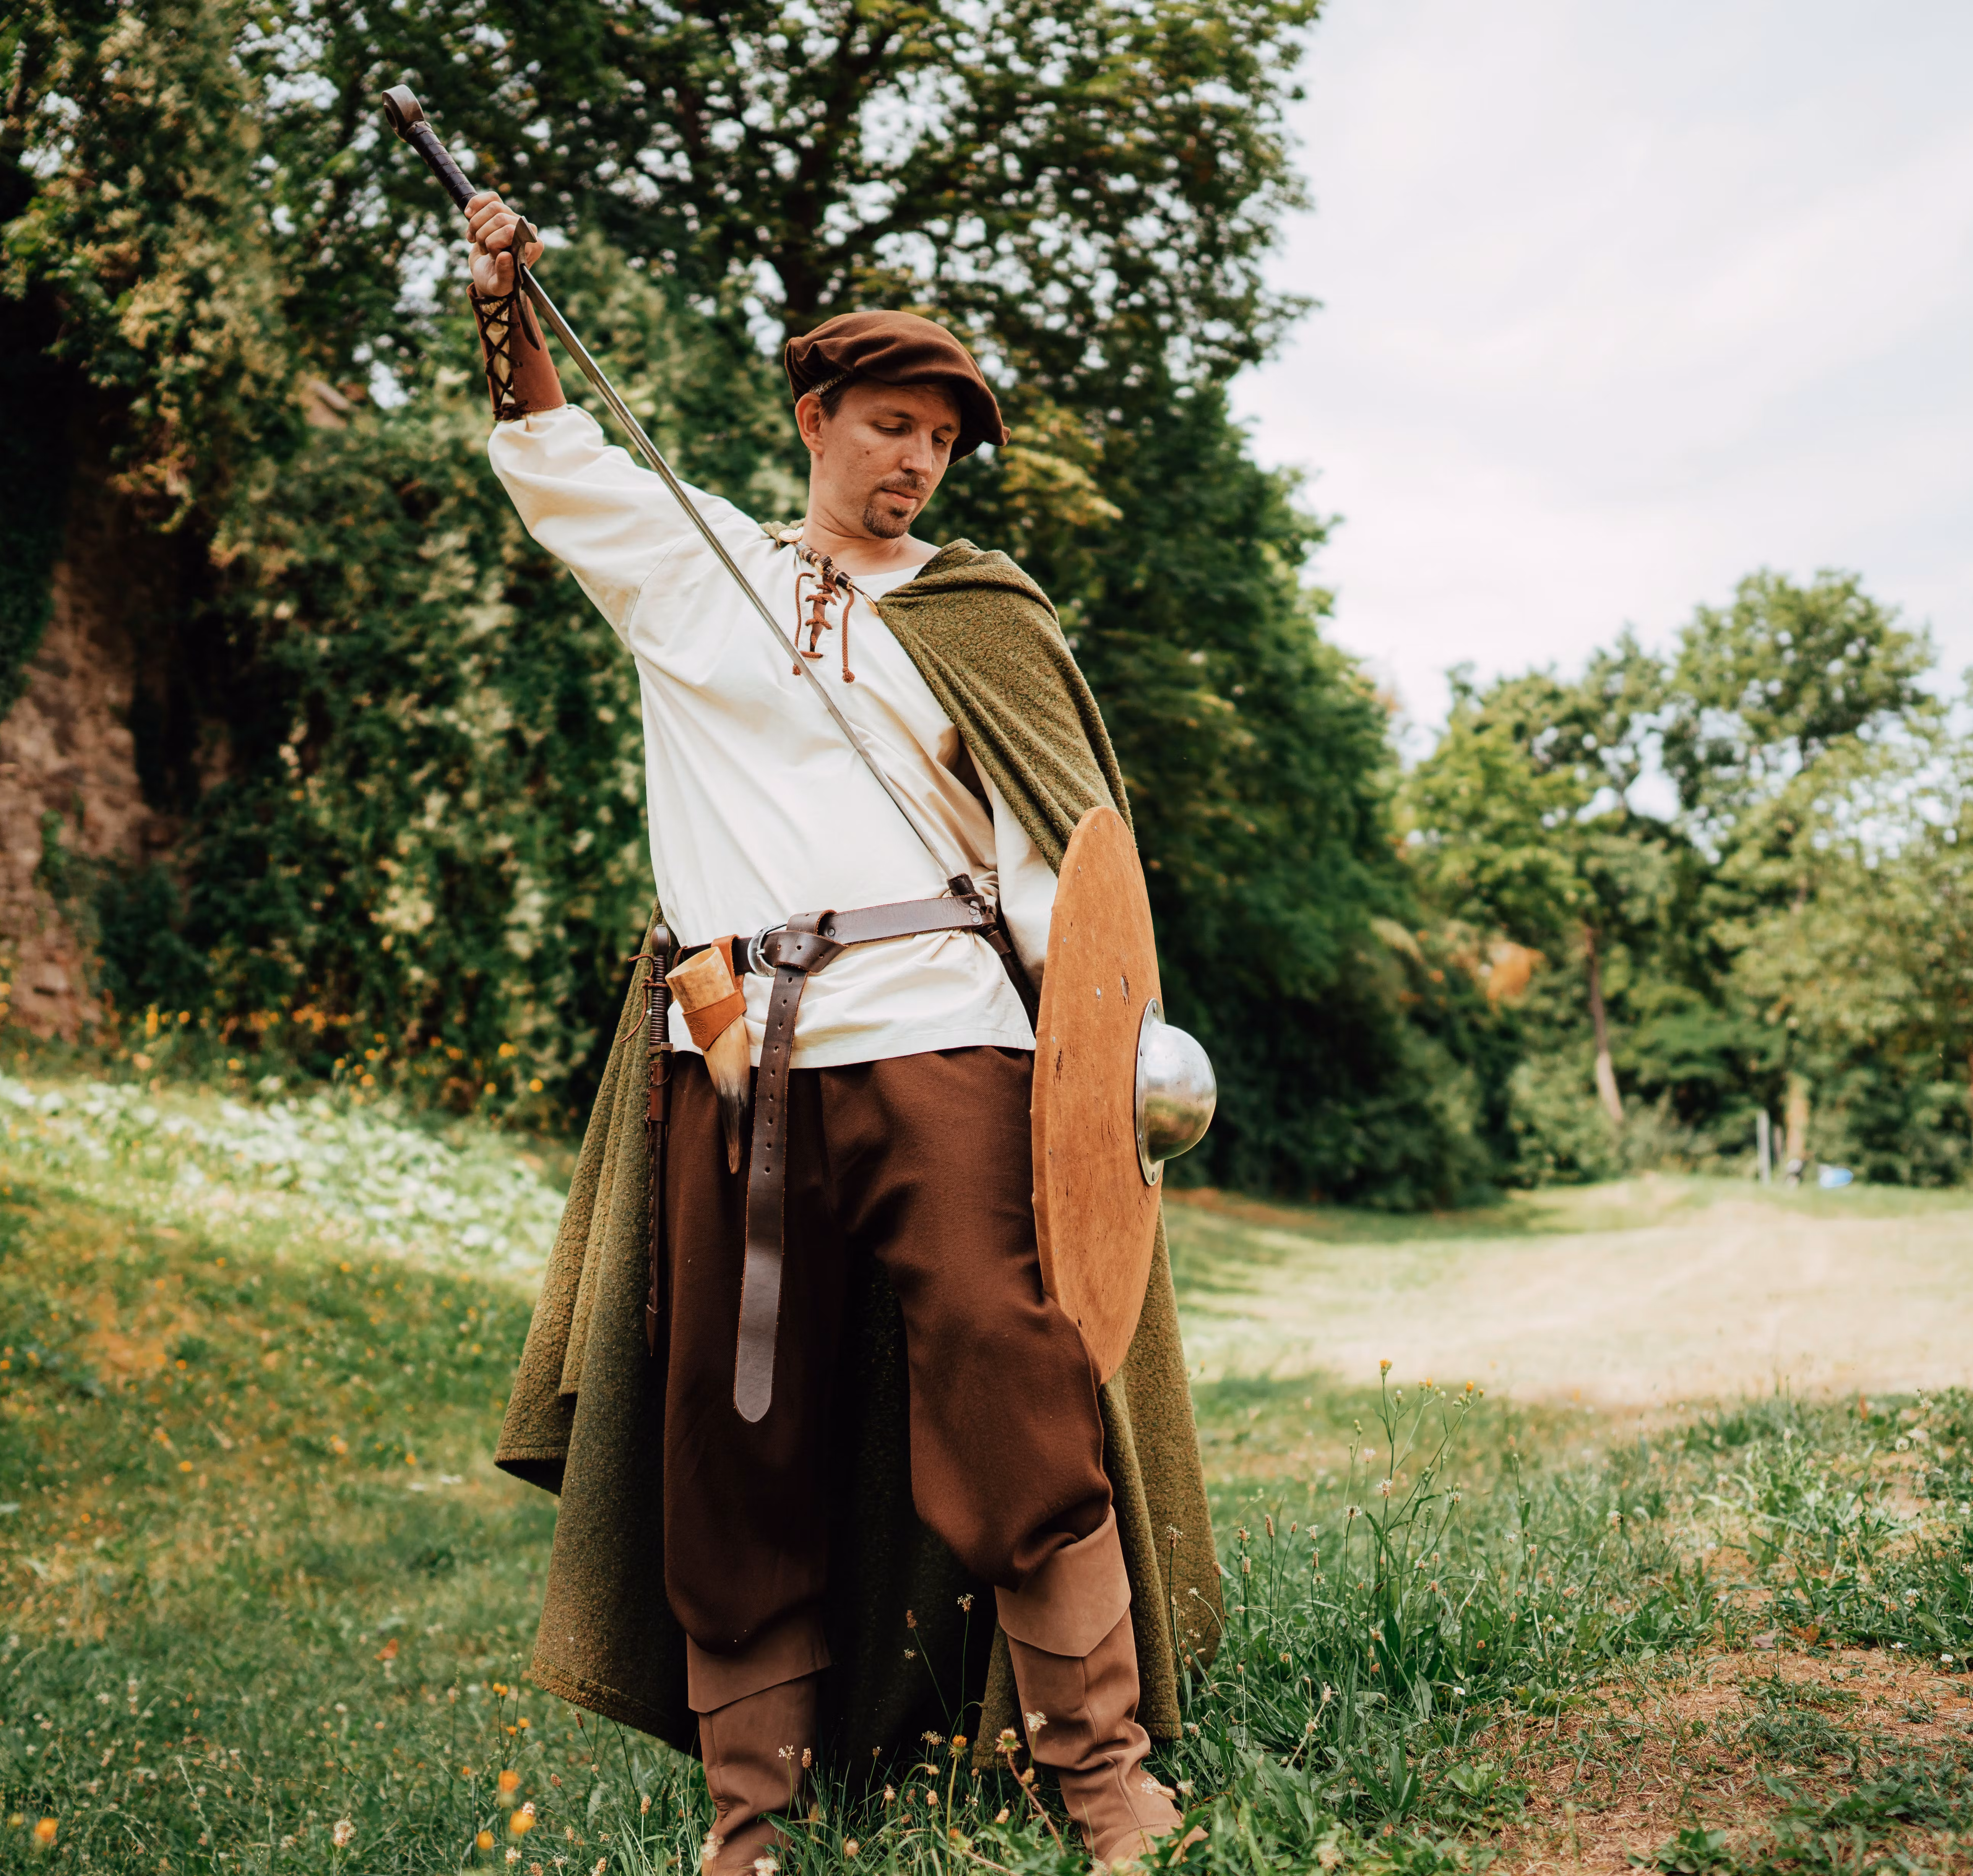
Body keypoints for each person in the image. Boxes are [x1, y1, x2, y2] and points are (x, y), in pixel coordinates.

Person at [463, 193, 1219, 1871]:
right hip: (736, 1053)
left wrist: (1109, 1062)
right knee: (732, 1428)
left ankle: (1102, 1775)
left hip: (947, 1032)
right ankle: (750, 1821)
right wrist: (505, 301)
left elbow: (1060, 869)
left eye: (942, 441)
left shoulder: (983, 613)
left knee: (1012, 1365)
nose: (918, 463)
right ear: (815, 421)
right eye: (891, 427)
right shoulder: (694, 571)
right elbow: (550, 447)